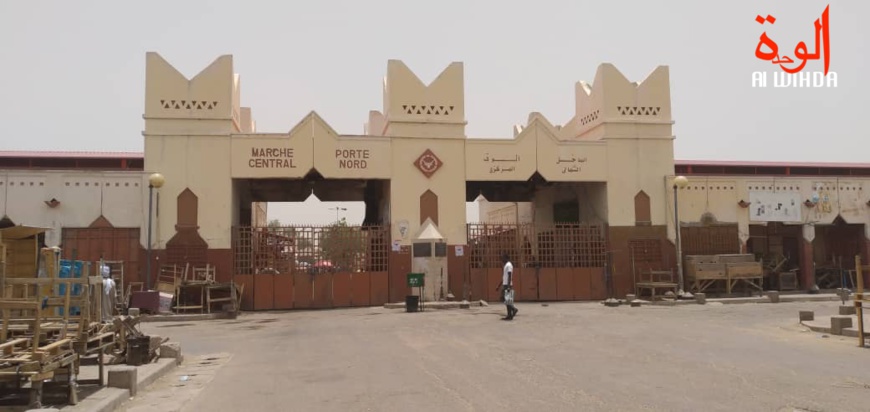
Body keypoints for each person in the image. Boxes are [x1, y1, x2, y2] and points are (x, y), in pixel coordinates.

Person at [495, 253, 519, 320]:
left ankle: (514, 309)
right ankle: (509, 315)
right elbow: (504, 277)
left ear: (506, 258)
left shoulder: (509, 265)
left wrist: (508, 286)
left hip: (507, 285)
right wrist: (499, 286)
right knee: (508, 300)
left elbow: (509, 275)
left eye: (502, 258)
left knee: (504, 299)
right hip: (505, 284)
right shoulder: (506, 265)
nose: (501, 260)